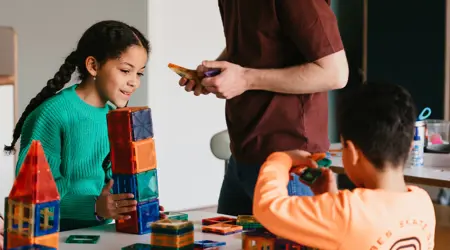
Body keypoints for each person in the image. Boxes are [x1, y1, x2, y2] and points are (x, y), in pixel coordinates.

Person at [179, 0, 349, 215]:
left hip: (291, 163)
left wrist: (245, 79)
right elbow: (254, 45)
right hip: (241, 154)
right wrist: (216, 72)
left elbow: (335, 74)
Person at [1, 20, 162, 233]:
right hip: (54, 236)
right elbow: (32, 197)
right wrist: (95, 207)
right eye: (125, 70)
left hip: (102, 233)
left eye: (139, 73)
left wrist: (136, 204)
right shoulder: (52, 114)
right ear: (93, 66)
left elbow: (114, 180)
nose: (135, 82)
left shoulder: (114, 118)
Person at [253, 83, 436, 249]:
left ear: (352, 152)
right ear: (409, 147)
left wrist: (281, 158)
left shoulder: (347, 212)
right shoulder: (423, 203)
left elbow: (267, 207)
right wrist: (329, 198)